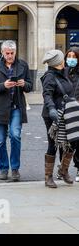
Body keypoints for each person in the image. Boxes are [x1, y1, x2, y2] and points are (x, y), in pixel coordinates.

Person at [0, 40, 33, 182]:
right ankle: (3, 168)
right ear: (2, 52)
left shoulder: (23, 65)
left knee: (15, 136)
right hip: (0, 107)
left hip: (17, 107)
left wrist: (24, 84)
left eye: (12, 53)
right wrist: (4, 85)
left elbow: (30, 86)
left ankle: (15, 169)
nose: (10, 56)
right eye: (7, 53)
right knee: (0, 141)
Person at [41, 49, 74, 188]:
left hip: (67, 113)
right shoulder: (49, 76)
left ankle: (63, 170)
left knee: (70, 142)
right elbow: (47, 94)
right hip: (52, 114)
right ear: (58, 61)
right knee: (53, 144)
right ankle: (48, 177)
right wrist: (52, 109)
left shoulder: (65, 73)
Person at [59, 48, 79, 182]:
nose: (71, 59)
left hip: (77, 110)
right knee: (64, 142)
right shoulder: (62, 72)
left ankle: (78, 167)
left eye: (74, 56)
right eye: (69, 56)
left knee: (77, 141)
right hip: (65, 111)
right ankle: (63, 169)